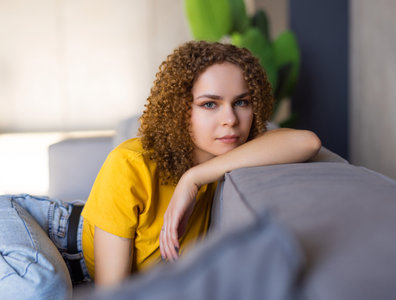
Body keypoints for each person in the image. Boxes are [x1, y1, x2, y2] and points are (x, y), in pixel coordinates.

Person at [0, 40, 321, 298]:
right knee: (41, 287)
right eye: (210, 104)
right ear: (182, 110)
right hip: (40, 226)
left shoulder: (227, 159)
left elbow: (306, 141)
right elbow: (115, 291)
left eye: (242, 102)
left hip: (69, 260)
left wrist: (193, 178)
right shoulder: (132, 162)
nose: (231, 120)